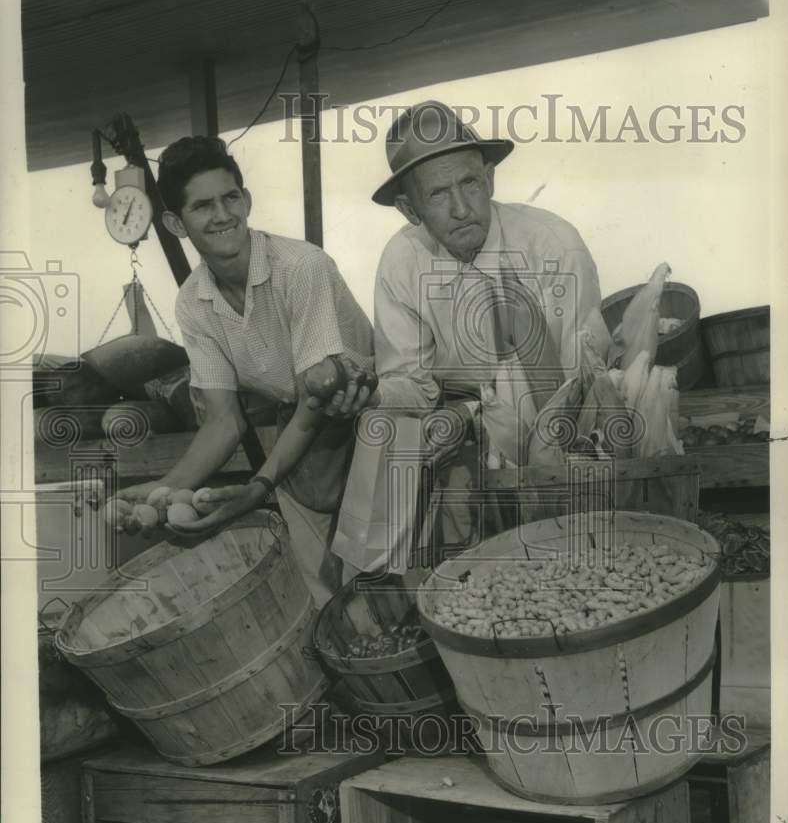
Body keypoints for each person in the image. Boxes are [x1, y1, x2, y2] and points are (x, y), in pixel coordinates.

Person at [119, 135, 375, 605]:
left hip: (370, 422)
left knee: (374, 581)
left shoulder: (301, 266)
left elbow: (319, 392)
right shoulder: (193, 302)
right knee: (322, 595)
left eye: (230, 197)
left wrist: (259, 487)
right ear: (176, 222)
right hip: (301, 431)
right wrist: (168, 486)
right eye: (202, 206)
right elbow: (223, 419)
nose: (222, 215)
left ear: (246, 199)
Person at [369, 100, 612, 548]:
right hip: (454, 428)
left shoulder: (552, 245)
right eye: (439, 194)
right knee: (380, 460)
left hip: (554, 421)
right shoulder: (402, 261)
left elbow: (576, 388)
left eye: (471, 183)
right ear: (409, 209)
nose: (462, 208)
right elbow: (411, 383)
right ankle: (396, 598)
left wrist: (476, 418)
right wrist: (373, 392)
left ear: (490, 177)